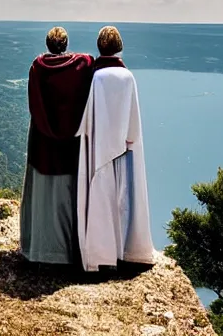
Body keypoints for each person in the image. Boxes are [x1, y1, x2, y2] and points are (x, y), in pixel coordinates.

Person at [75, 26, 155, 272]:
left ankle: (101, 254)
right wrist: (129, 140)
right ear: (119, 47)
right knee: (124, 201)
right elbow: (133, 119)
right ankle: (124, 251)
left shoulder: (96, 77)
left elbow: (89, 116)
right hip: (123, 150)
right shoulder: (127, 76)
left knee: (100, 200)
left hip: (98, 147)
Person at [20, 27, 94, 265]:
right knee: (68, 195)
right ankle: (69, 251)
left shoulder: (37, 68)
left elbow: (34, 103)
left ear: (48, 44)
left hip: (42, 143)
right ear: (65, 44)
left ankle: (39, 250)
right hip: (70, 146)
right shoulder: (81, 65)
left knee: (42, 196)